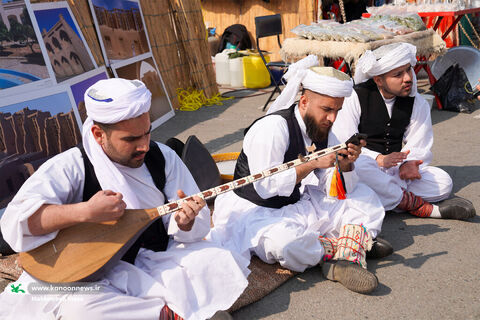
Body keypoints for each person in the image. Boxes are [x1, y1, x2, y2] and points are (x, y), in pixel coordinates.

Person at [0, 79, 249, 320]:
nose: (143, 146)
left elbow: (195, 218)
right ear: (99, 134)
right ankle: (167, 315)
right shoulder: (71, 166)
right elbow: (16, 221)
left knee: (217, 261)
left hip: (155, 258)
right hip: (91, 272)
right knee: (78, 310)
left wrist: (185, 223)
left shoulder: (163, 157)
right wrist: (84, 212)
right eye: (131, 139)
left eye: (147, 133)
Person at [210, 56, 389, 295]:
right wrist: (311, 164)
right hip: (255, 211)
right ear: (304, 101)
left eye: (337, 110)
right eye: (326, 109)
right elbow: (265, 187)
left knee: (366, 200)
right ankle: (350, 248)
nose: (332, 118)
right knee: (287, 244)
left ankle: (340, 253)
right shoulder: (272, 128)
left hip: (296, 202)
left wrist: (345, 165)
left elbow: (331, 187)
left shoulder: (325, 129)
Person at [331, 42, 476, 220]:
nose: (408, 78)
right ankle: (419, 206)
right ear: (378, 80)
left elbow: (419, 143)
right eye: (398, 74)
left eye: (408, 70)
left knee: (443, 182)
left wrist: (409, 163)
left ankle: (377, 199)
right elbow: (345, 144)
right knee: (359, 167)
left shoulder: (416, 102)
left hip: (395, 172)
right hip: (363, 166)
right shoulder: (355, 97)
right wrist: (378, 159)